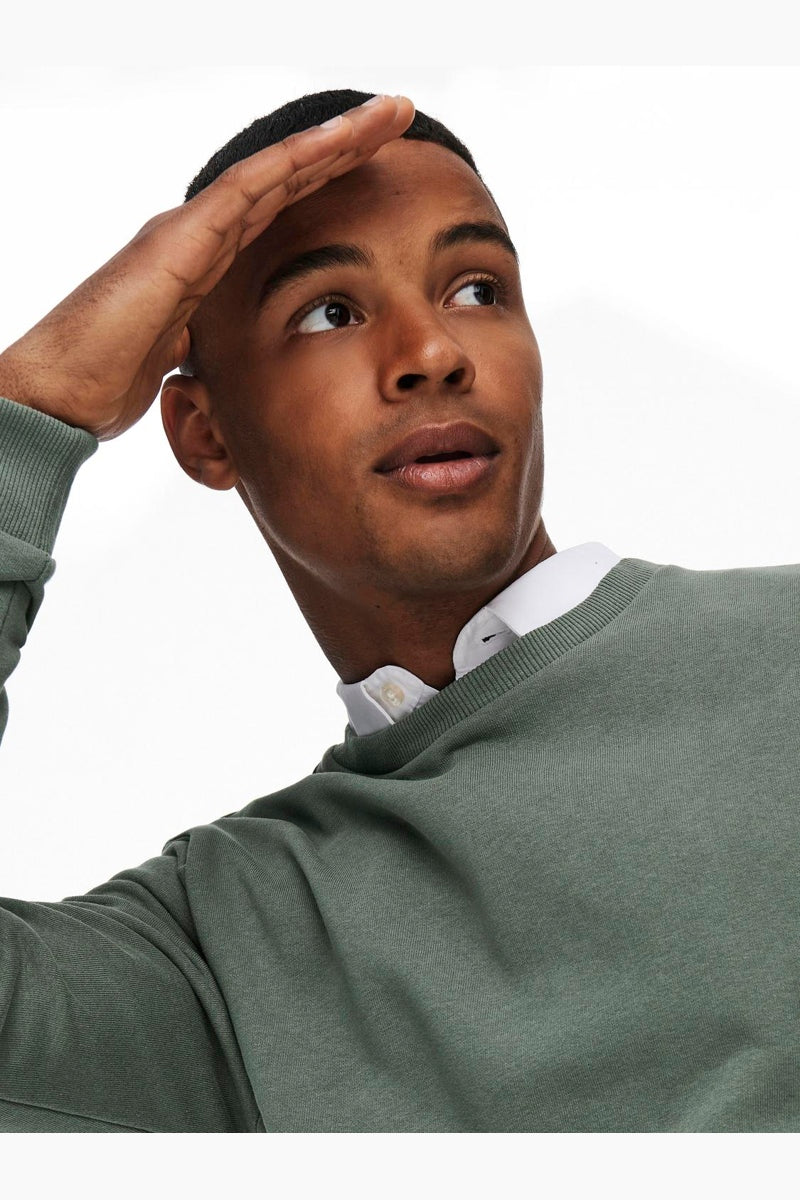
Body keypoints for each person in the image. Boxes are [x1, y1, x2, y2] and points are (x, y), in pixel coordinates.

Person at [0, 87, 797, 1134]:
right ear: (204, 432)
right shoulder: (221, 955)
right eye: (329, 312)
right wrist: (33, 406)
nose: (433, 352)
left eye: (476, 289)